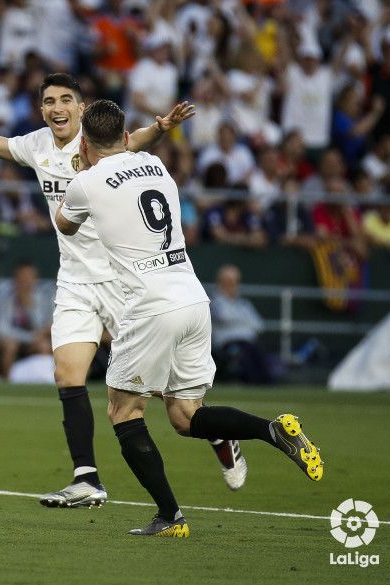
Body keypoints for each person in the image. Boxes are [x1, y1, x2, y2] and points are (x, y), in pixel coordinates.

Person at [0, 73, 245, 507]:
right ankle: (87, 478)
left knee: (176, 405)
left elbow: (136, 142)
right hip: (74, 282)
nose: (57, 107)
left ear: (82, 107)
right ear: (41, 110)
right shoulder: (36, 145)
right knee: (67, 374)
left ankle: (216, 431)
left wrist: (162, 129)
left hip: (122, 280)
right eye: (49, 101)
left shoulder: (97, 144)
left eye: (65, 99)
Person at [55, 99, 324, 537]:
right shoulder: (156, 167)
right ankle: (273, 430)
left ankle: (170, 517)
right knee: (185, 416)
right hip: (193, 298)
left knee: (124, 411)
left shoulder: (86, 183)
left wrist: (75, 174)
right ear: (124, 138)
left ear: (83, 144)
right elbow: (132, 153)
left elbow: (65, 225)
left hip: (149, 304)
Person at [210, 264, 274, 384]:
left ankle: (267, 384)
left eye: (234, 282)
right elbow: (223, 317)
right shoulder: (215, 302)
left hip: (249, 343)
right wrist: (244, 321)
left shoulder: (244, 304)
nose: (231, 286)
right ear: (220, 282)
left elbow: (259, 325)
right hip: (228, 344)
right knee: (244, 355)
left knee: (259, 355)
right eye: (227, 282)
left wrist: (237, 320)